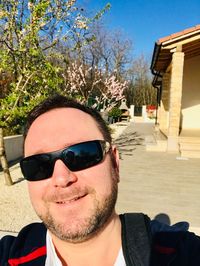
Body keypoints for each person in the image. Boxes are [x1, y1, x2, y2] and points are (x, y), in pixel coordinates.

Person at [1, 94, 200, 266]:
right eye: (39, 165)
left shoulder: (181, 254)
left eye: (81, 154)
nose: (61, 178)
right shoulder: (9, 256)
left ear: (115, 163)